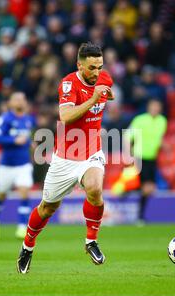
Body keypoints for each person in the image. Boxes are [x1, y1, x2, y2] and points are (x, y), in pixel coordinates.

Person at [16, 42, 114, 274]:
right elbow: (66, 116)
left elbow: (108, 93)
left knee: (95, 188)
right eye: (92, 68)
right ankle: (27, 246)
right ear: (79, 65)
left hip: (91, 151)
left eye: (100, 67)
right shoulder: (68, 83)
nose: (97, 73)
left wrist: (107, 94)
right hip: (65, 157)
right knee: (47, 207)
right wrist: (93, 99)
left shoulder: (104, 78)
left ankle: (91, 241)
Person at [0, 92, 35, 241]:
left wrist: (30, 144)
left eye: (22, 99)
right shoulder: (5, 119)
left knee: (25, 192)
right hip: (6, 165)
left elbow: (26, 139)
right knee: (1, 195)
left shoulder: (28, 120)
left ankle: (22, 226)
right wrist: (14, 140)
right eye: (17, 99)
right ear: (11, 103)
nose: (20, 101)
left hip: (23, 164)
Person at [124, 99, 167, 225]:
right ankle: (140, 216)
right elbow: (127, 137)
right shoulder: (140, 120)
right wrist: (128, 154)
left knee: (149, 188)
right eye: (153, 106)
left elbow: (158, 139)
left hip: (153, 158)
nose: (155, 109)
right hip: (140, 157)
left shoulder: (162, 121)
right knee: (147, 187)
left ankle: (139, 214)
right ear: (149, 108)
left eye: (157, 107)